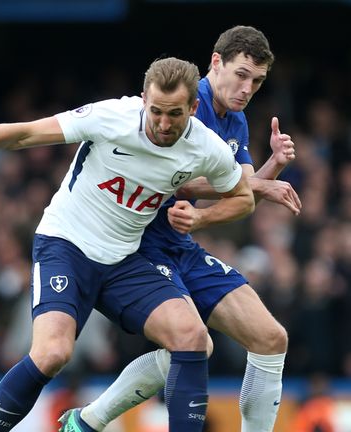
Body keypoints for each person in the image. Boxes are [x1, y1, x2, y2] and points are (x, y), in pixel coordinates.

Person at [0, 57, 255, 432]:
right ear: (143, 99)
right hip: (67, 245)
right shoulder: (112, 117)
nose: (163, 124)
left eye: (175, 114)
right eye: (156, 112)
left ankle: (91, 422)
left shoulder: (207, 147)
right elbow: (25, 134)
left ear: (194, 108)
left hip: (124, 259)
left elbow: (243, 197)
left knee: (193, 338)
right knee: (52, 353)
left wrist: (201, 218)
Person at [59, 25, 298, 432]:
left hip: (179, 242)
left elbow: (237, 194)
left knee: (271, 338)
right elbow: (179, 179)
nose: (247, 88)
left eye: (257, 81)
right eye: (241, 75)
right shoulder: (186, 103)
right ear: (216, 62)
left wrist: (270, 167)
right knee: (191, 345)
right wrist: (262, 183)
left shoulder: (235, 121)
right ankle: (88, 420)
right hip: (139, 243)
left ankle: (85, 421)